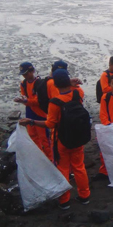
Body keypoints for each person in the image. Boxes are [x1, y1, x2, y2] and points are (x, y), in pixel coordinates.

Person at [19, 69, 90, 210]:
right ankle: (84, 196)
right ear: (68, 80)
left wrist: (31, 121)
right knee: (79, 166)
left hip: (61, 140)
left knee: (62, 168)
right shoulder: (78, 94)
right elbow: (75, 89)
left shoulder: (55, 102)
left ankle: (64, 201)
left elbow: (50, 124)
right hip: (77, 137)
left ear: (55, 85)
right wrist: (71, 83)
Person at [14, 62, 53, 161]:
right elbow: (24, 95)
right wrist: (22, 99)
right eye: (23, 74)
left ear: (33, 71)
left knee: (44, 139)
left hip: (40, 114)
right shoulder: (23, 83)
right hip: (29, 111)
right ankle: (39, 158)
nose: (25, 76)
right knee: (33, 136)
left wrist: (26, 101)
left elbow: (39, 100)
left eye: (26, 73)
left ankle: (50, 160)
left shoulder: (39, 84)